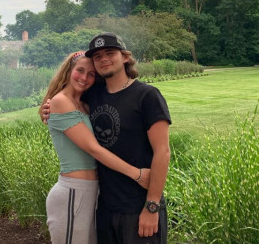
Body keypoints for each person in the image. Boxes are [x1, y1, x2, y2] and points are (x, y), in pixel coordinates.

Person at [41, 33, 171, 243]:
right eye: (98, 56)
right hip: (104, 208)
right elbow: (66, 103)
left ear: (125, 57)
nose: (103, 59)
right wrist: (49, 108)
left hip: (138, 207)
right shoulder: (93, 96)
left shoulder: (147, 96)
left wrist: (152, 206)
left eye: (110, 53)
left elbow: (163, 152)